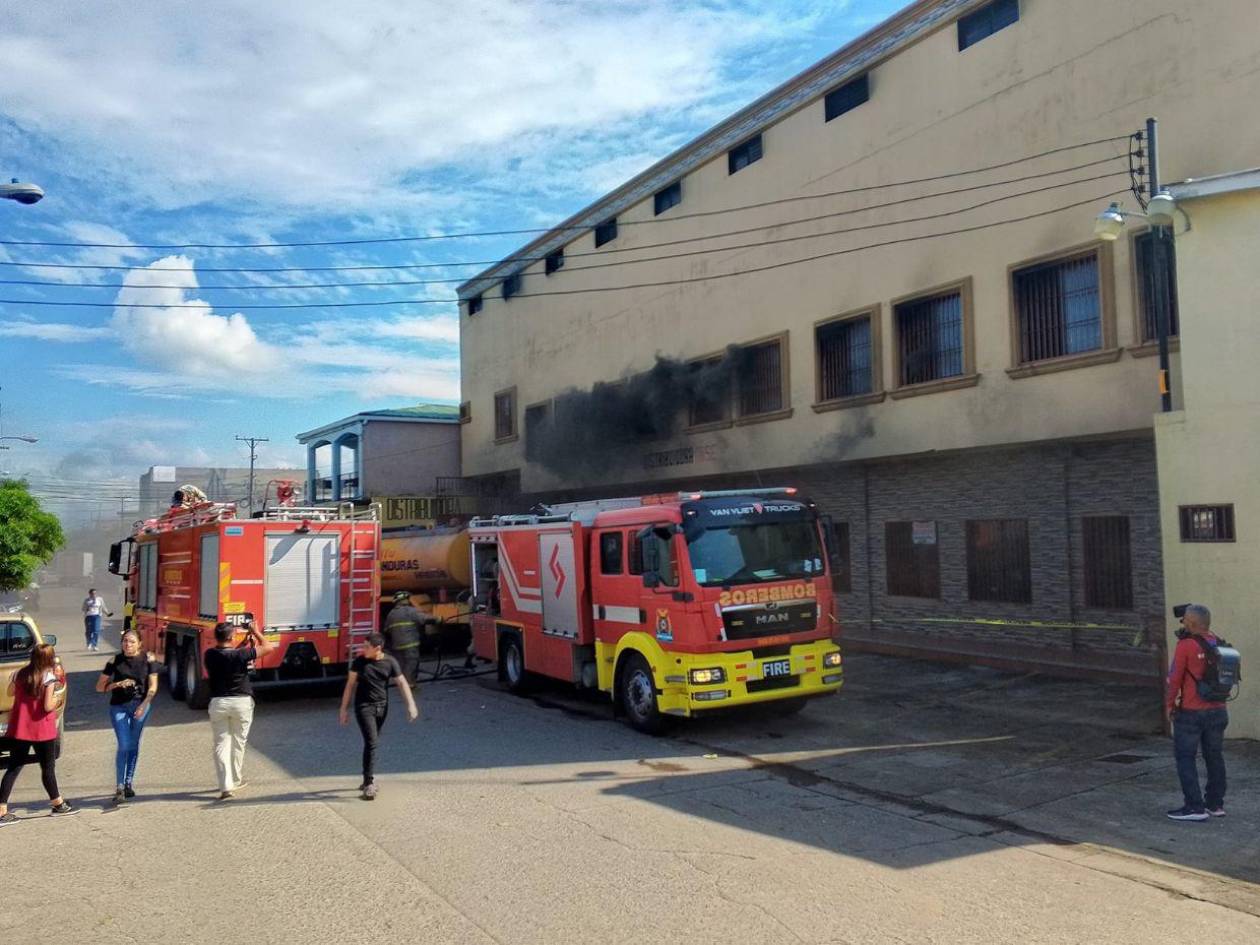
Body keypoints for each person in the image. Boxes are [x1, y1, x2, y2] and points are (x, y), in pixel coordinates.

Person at [1165, 603, 1229, 821]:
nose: (1182, 623)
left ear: (1191, 623)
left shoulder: (1186, 645)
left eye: (1184, 620)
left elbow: (1174, 679)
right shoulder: (1218, 643)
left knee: (1185, 757)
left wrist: (1169, 704)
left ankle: (1194, 807)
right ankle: (1215, 804)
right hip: (1219, 711)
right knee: (1215, 757)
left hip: (1192, 712)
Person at [1, 644, 76, 824]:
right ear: (48, 659)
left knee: (14, 767)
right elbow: (47, 706)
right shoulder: (48, 677)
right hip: (42, 728)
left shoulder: (20, 674)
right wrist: (58, 700)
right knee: (47, 768)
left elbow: (11, 692)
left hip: (21, 728)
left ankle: (2, 808)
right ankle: (58, 803)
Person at [339, 632, 418, 800]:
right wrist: (343, 709)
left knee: (372, 743)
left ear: (378, 649)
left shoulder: (390, 662)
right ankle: (369, 783)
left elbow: (402, 683)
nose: (363, 649)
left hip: (382, 707)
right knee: (372, 742)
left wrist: (411, 705)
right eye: (363, 645)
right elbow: (350, 685)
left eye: (367, 647)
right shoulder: (359, 662)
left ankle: (366, 778)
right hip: (363, 707)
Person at [205, 619, 277, 800]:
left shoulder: (210, 655)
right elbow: (268, 647)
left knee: (221, 744)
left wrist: (244, 642)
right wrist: (256, 632)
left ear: (217, 637)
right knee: (239, 742)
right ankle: (236, 779)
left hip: (219, 702)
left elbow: (228, 654)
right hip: (241, 702)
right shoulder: (241, 655)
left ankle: (225, 785)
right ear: (231, 636)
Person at [96, 630, 159, 804]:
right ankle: (119, 786)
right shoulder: (115, 661)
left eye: (131, 642)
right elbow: (99, 687)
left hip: (141, 704)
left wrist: (144, 704)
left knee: (133, 743)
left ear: (139, 643)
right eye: (125, 641)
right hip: (119, 706)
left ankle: (129, 782)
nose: (127, 645)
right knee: (124, 744)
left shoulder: (149, 659)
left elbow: (153, 687)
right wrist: (116, 684)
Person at [383, 591, 424, 685]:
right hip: (411, 645)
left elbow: (386, 629)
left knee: (401, 665)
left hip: (397, 646)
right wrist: (438, 619)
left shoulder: (391, 614)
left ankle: (402, 684)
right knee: (411, 663)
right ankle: (410, 686)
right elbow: (423, 619)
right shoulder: (411, 610)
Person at [82, 587, 113, 652]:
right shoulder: (87, 600)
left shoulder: (100, 599)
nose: (94, 595)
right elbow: (83, 609)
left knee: (96, 631)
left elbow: (103, 607)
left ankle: (94, 645)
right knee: (89, 631)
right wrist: (87, 608)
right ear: (89, 594)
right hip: (89, 617)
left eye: (95, 593)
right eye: (92, 594)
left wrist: (107, 613)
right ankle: (89, 643)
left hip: (97, 616)